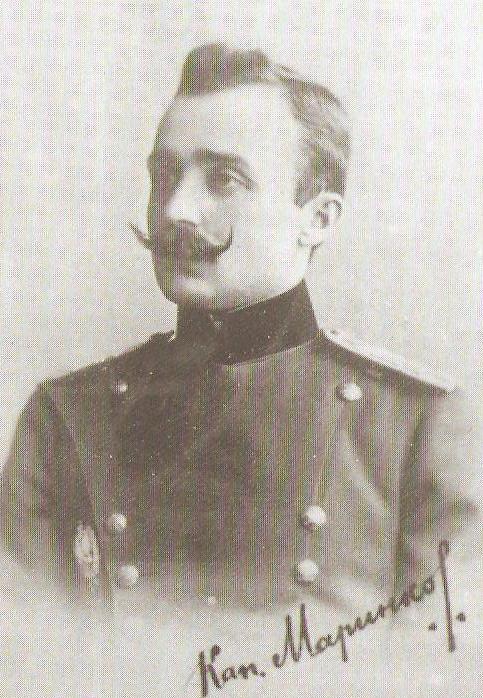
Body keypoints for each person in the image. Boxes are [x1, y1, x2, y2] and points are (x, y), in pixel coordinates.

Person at [0, 44, 479, 631]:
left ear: (318, 218)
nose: (175, 210)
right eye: (166, 175)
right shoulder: (69, 416)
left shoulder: (416, 427)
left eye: (223, 180)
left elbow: (439, 661)